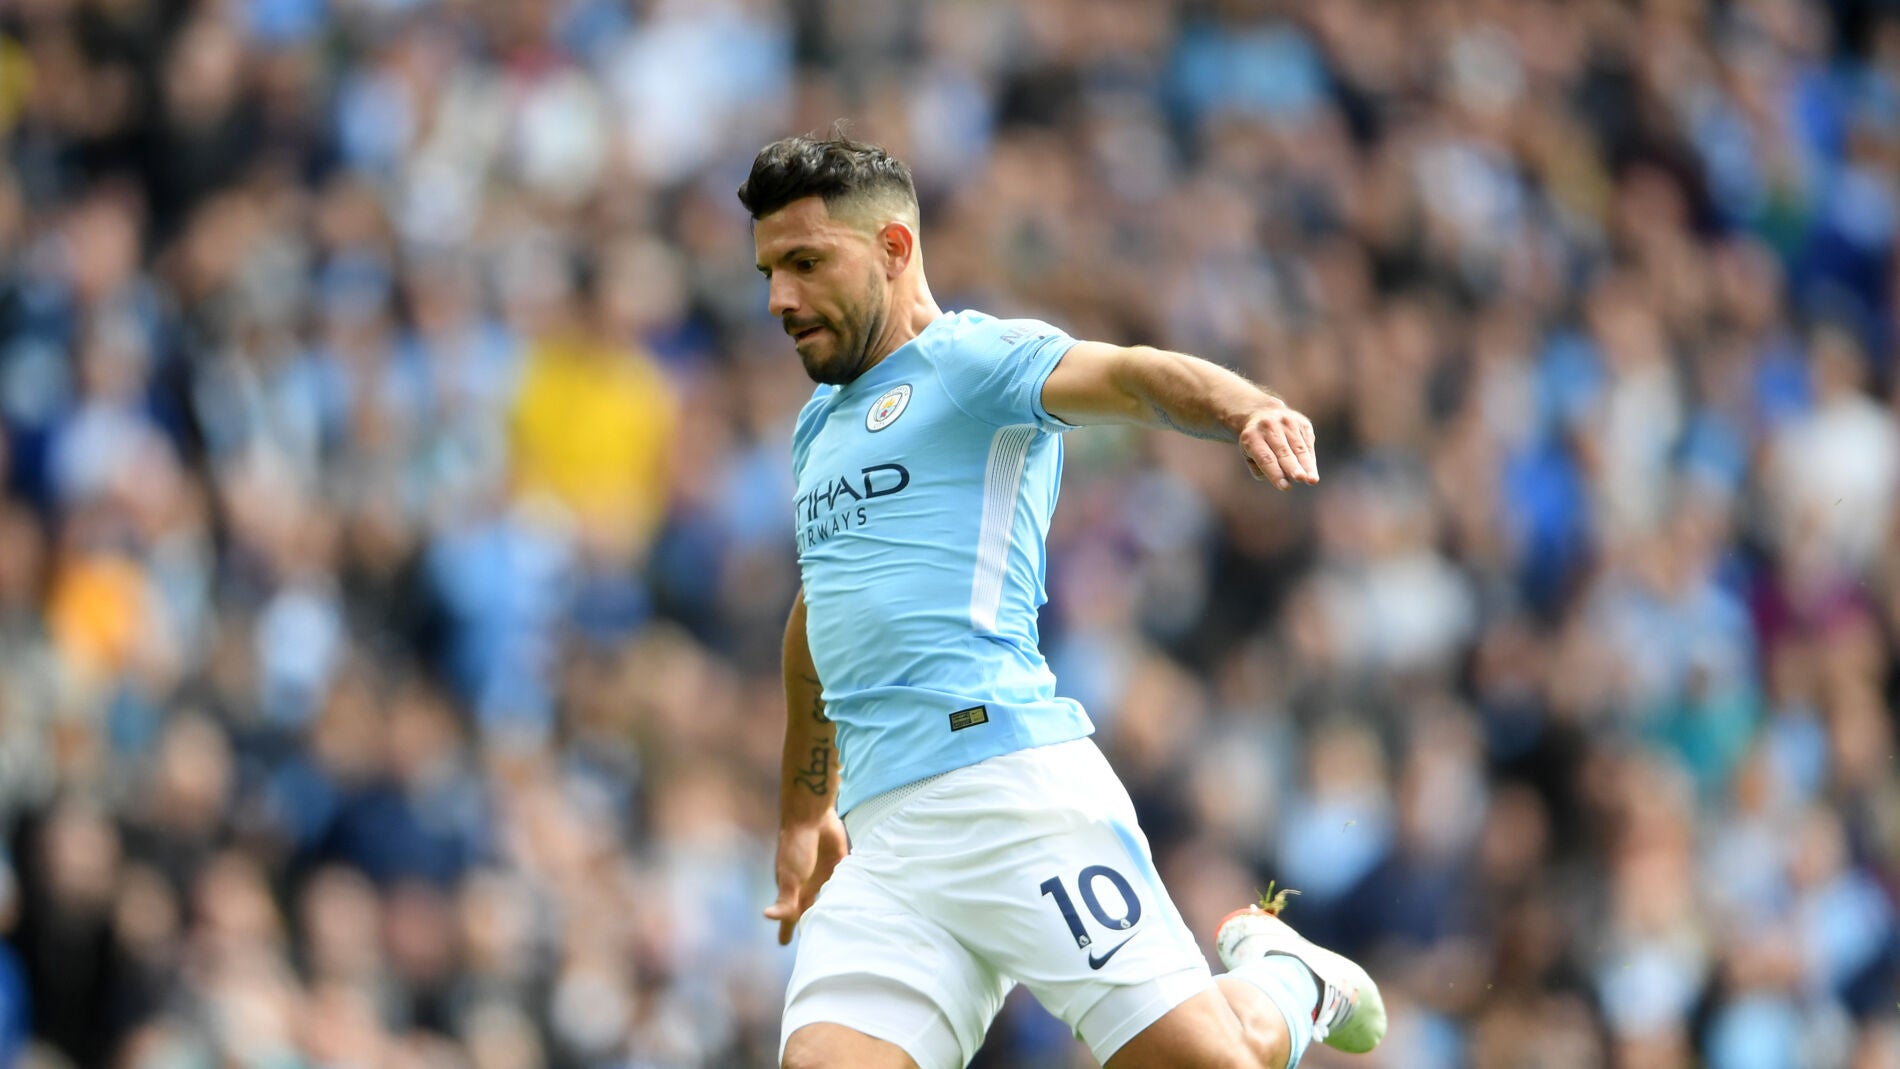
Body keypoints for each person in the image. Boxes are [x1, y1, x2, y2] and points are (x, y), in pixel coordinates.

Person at [743, 132, 1387, 1069]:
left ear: (893, 248)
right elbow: (822, 614)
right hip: (887, 845)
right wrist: (807, 810)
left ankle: (1290, 975)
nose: (780, 298)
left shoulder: (975, 361)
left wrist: (1245, 408)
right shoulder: (816, 428)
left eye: (805, 262)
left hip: (1008, 786)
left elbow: (1129, 375)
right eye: (768, 271)